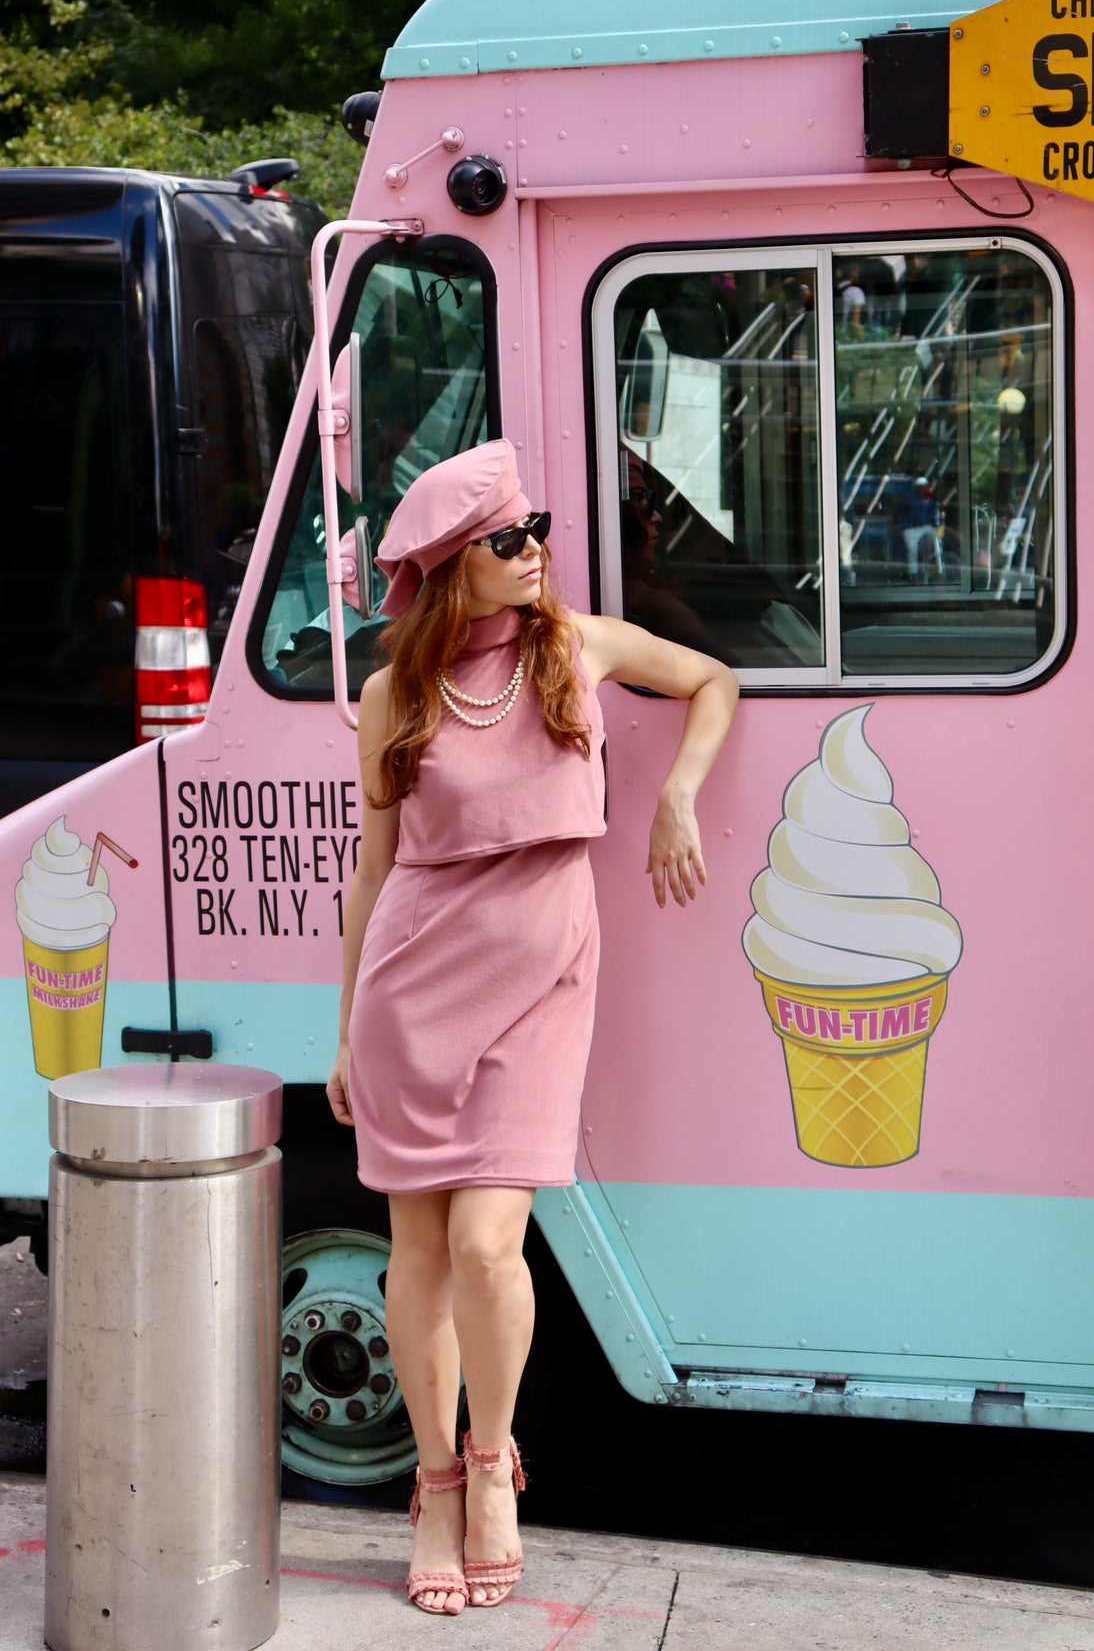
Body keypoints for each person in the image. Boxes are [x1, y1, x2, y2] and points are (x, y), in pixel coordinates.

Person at [325, 438, 738, 1615]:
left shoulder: (579, 644)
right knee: (415, 1251)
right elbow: (374, 869)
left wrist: (676, 799)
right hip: (412, 984)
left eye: (535, 526)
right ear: (458, 566)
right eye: (511, 539)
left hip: (547, 979)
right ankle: (437, 1481)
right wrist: (347, 1028)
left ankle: (495, 1458)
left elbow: (714, 681)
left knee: (488, 1245)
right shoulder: (392, 694)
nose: (536, 550)